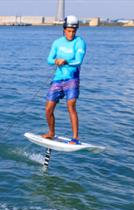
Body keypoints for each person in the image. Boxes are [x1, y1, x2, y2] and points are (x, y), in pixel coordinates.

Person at [43, 15, 87, 144]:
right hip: (58, 79)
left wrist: (66, 60)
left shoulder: (80, 42)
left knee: (71, 106)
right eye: (68, 31)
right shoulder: (57, 42)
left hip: (72, 79)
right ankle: (51, 132)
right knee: (48, 109)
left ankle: (75, 138)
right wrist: (56, 60)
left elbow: (78, 61)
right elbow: (49, 60)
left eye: (73, 31)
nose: (71, 33)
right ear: (64, 30)